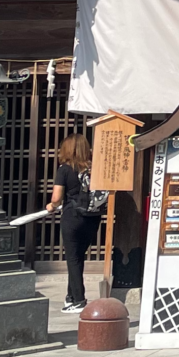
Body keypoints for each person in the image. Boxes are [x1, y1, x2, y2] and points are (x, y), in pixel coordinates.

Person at [47, 133, 99, 313]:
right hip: (92, 217)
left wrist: (51, 205)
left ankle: (79, 299)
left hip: (72, 216)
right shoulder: (94, 169)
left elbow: (57, 197)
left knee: (73, 258)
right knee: (78, 257)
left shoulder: (64, 169)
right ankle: (70, 297)